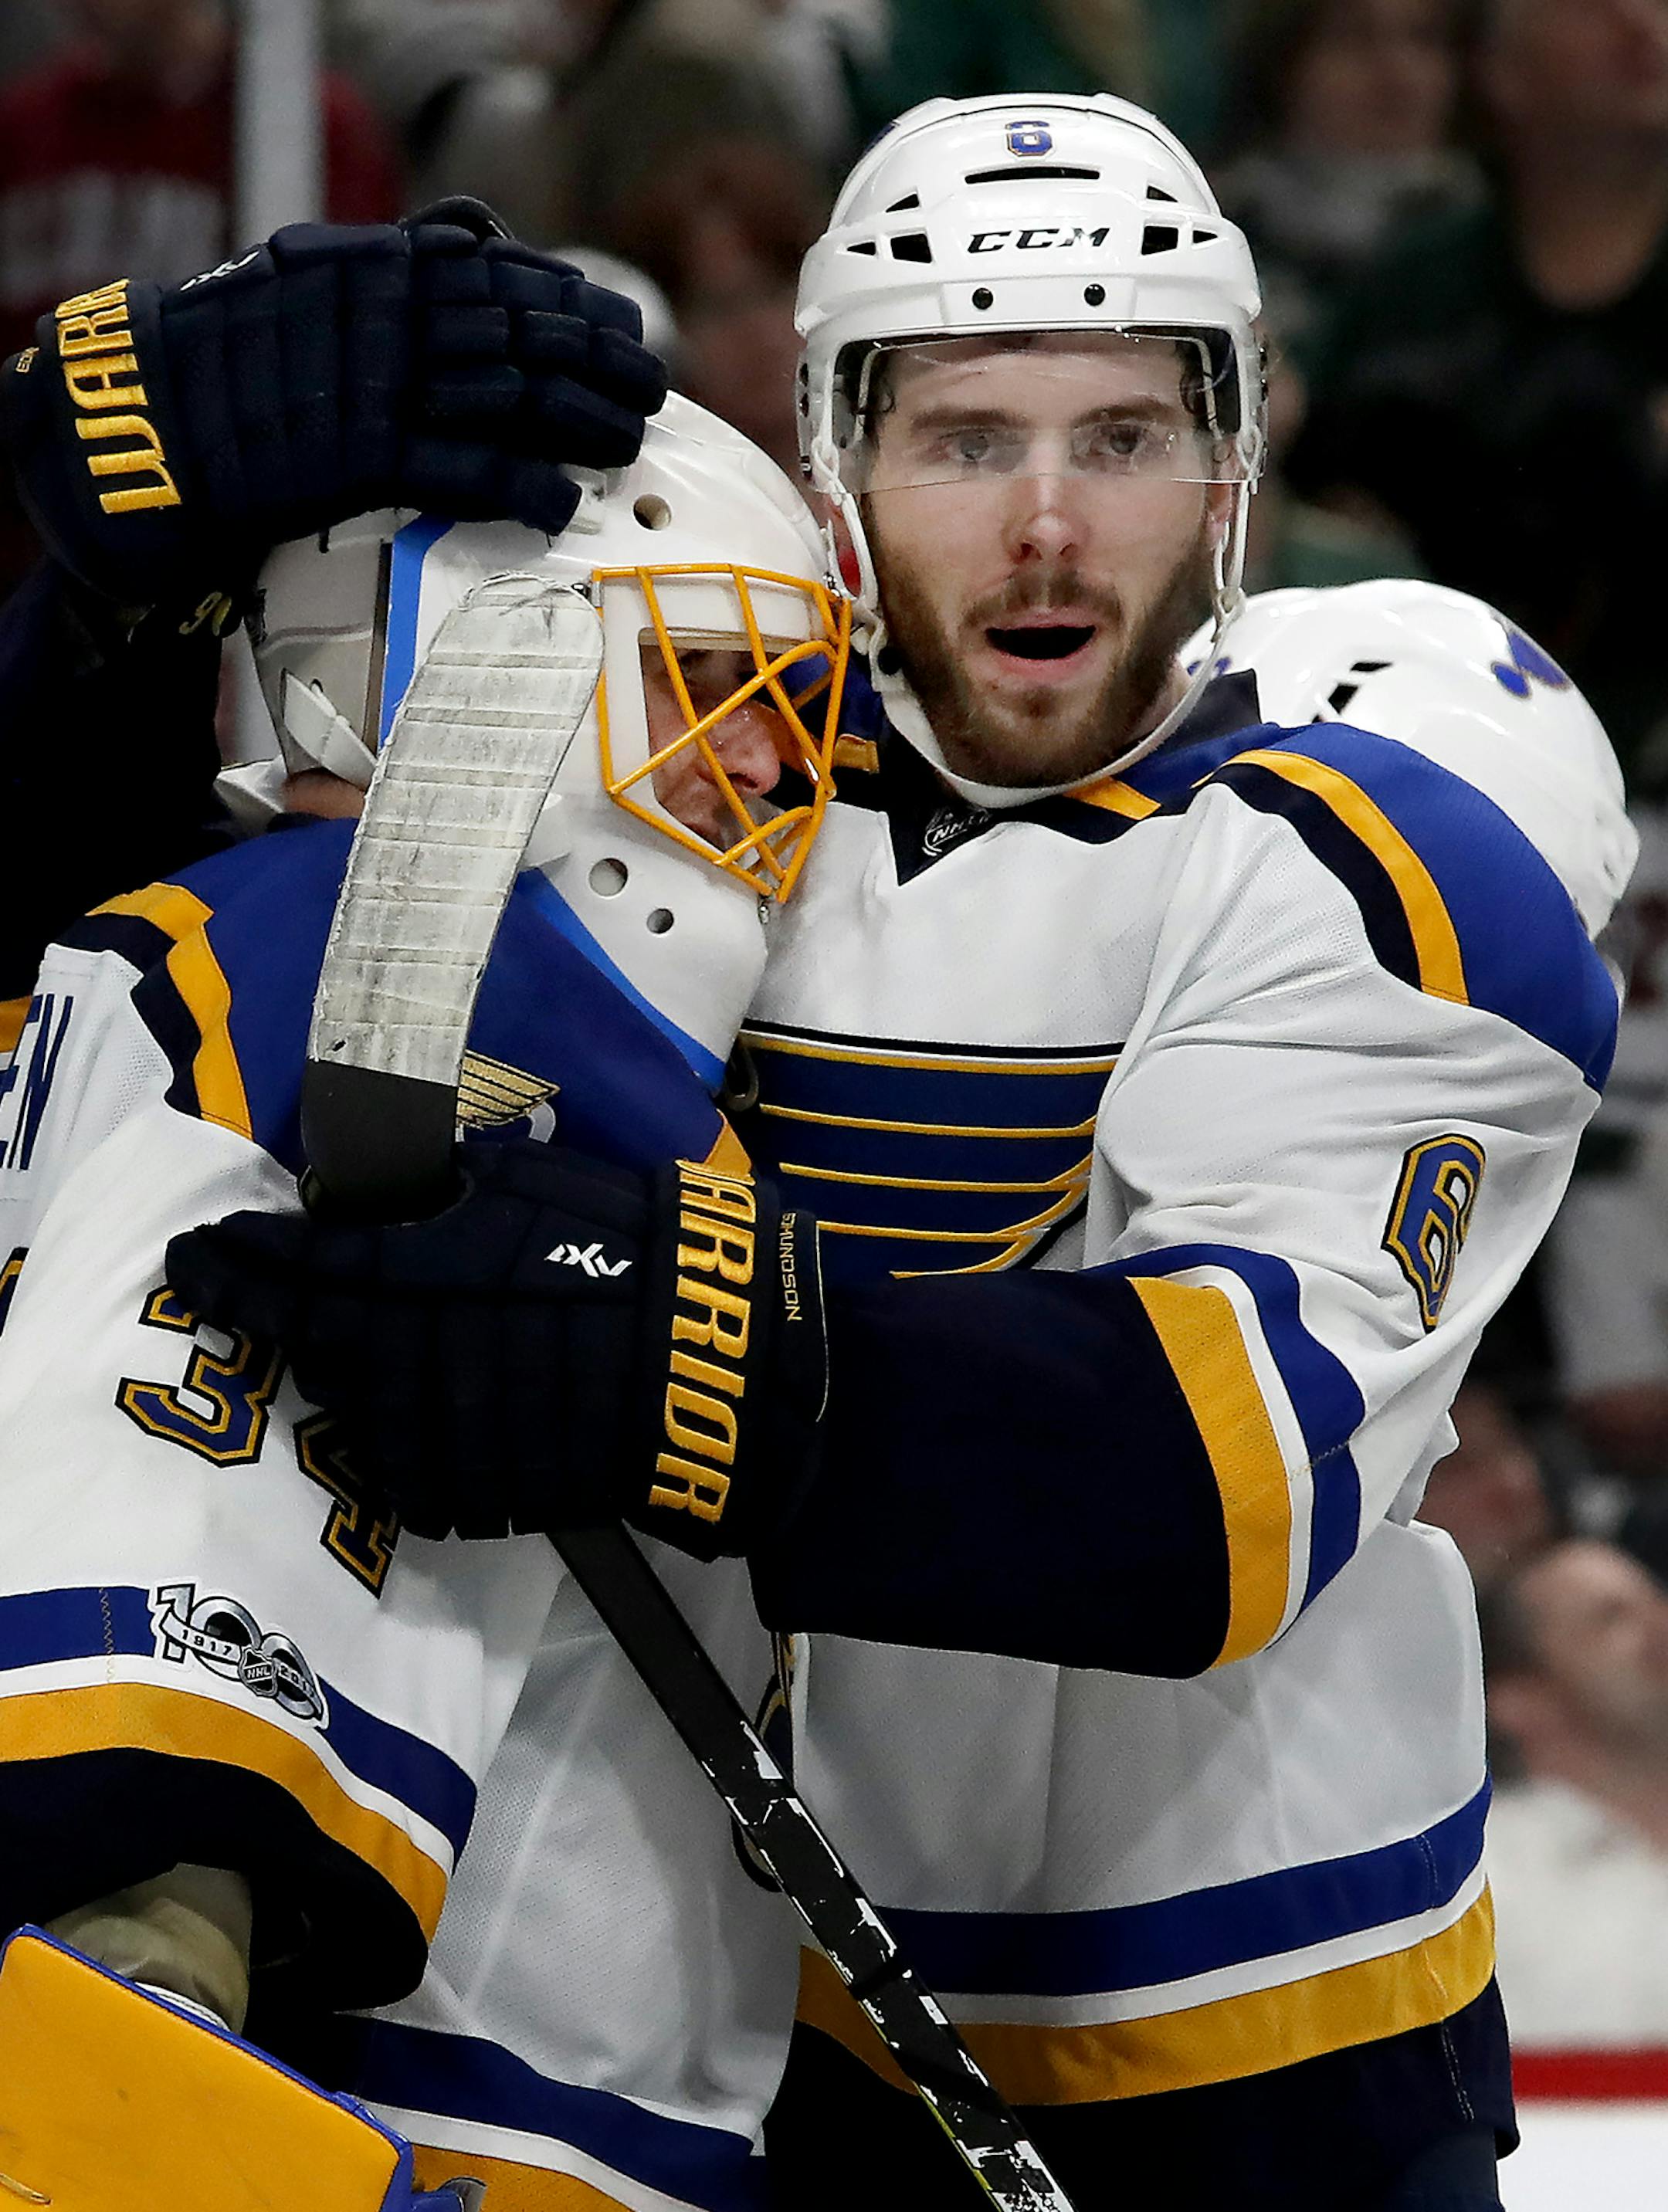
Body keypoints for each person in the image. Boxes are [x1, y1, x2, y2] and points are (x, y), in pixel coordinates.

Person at [153, 100, 1632, 2212]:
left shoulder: (1395, 818)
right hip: (785, 2015)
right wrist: (120, 537)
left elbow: (1215, 1483)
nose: (1045, 525)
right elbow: (148, 980)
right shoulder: (692, 734)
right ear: (834, 458)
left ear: (1238, 461)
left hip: (1285, 2040)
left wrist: (660, 1343)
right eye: (965, 438)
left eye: (1122, 437)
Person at [0, 391, 858, 2211]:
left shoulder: (177, 950)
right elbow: (131, 1797)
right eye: (711, 679)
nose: (774, 775)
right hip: (425, 2126)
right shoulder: (378, 980)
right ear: (495, 655)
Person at [1290, 0, 1668, 783]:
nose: (1642, 23)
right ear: (1498, 64)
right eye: (1595, 6)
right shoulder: (1408, 291)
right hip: (1434, 755)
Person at [1482, 1541, 1668, 2048]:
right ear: (1520, 1698)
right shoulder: (1484, 1880)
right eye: (1611, 1619)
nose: (1660, 1625)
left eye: (1657, 1601)